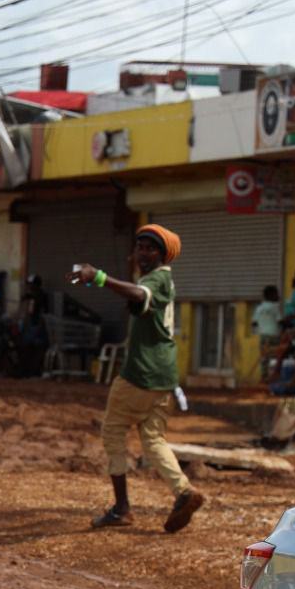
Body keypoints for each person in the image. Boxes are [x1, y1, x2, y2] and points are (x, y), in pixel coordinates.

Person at [69, 224, 205, 534]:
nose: (143, 252)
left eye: (150, 248)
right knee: (153, 439)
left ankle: (121, 508)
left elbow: (138, 294)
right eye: (140, 246)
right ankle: (184, 492)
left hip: (139, 374)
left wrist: (99, 277)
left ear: (163, 256)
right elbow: (136, 296)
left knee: (113, 433)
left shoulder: (156, 280)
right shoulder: (160, 279)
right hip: (164, 376)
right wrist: (92, 278)